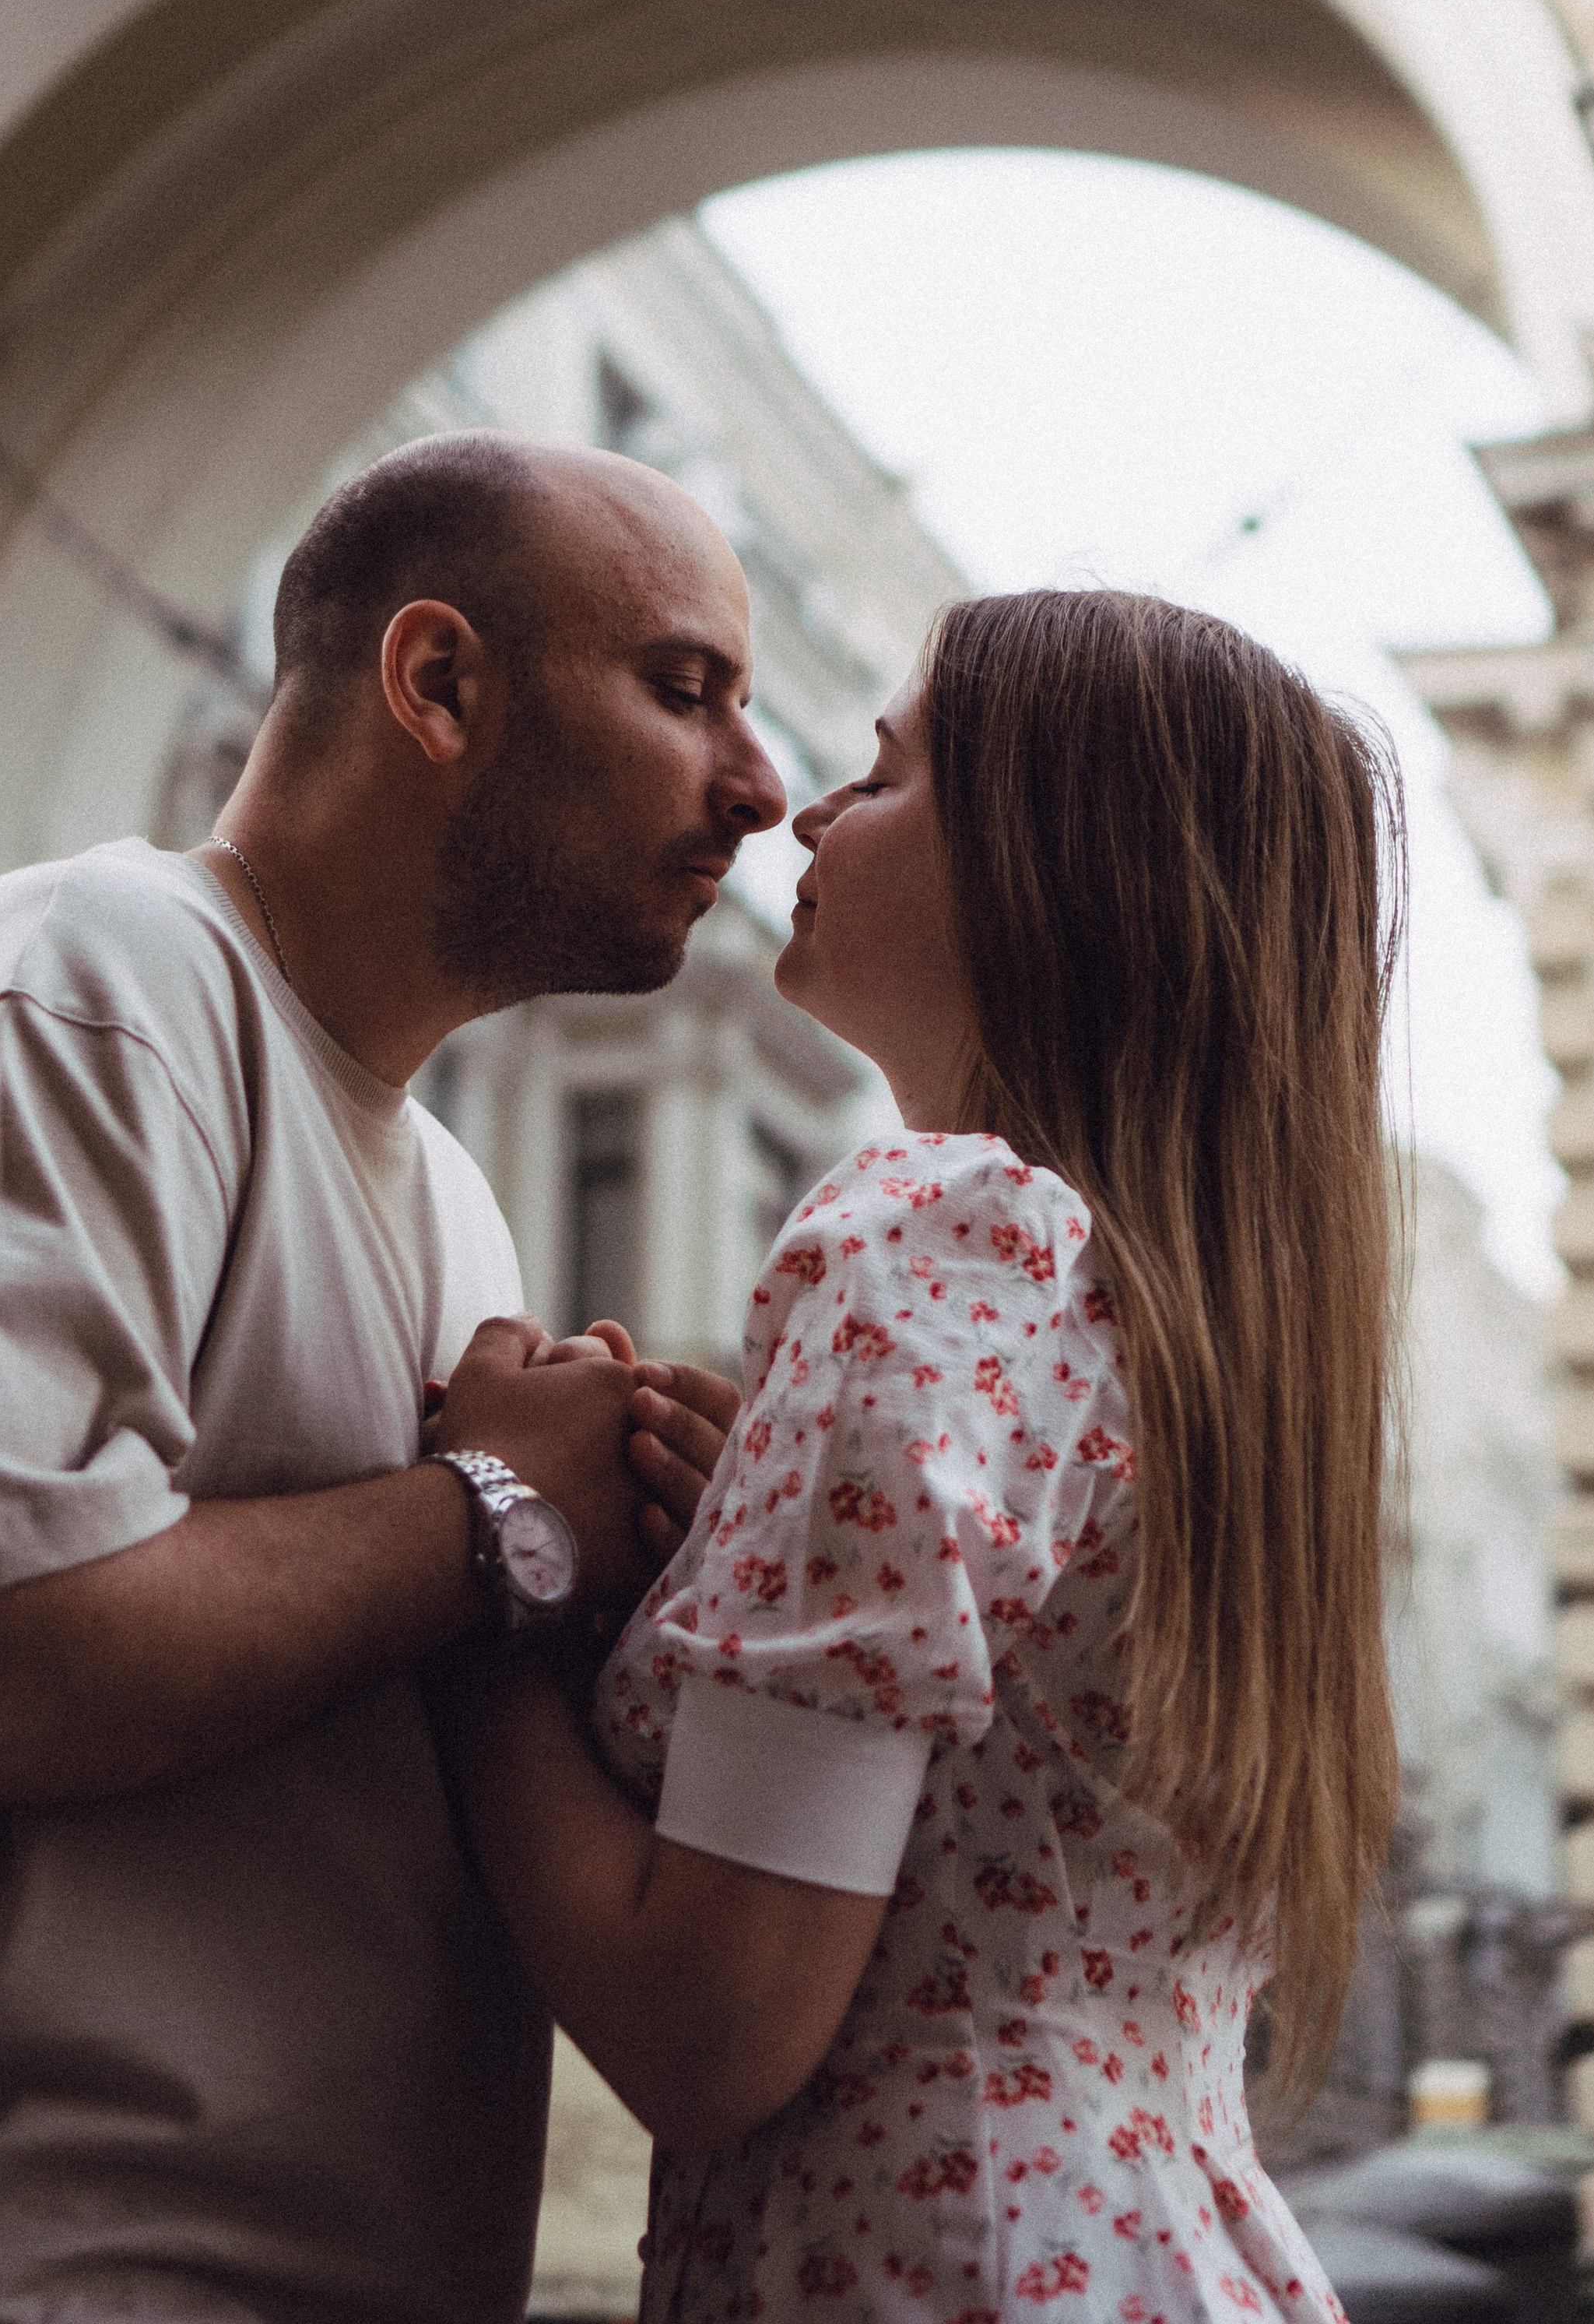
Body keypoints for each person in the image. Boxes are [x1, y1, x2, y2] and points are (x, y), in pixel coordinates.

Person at [0, 433, 785, 2323]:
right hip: (13, 2274)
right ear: (438, 681)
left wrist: (651, 1564)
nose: (759, 787)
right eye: (682, 689)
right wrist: (501, 1509)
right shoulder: (80, 983)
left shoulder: (454, 1196)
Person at [436, 586, 1405, 2322]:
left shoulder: (935, 1230)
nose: (802, 812)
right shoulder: (1183, 1326)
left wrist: (481, 1555)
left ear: (1049, 866)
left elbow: (709, 2028)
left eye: (880, 778)